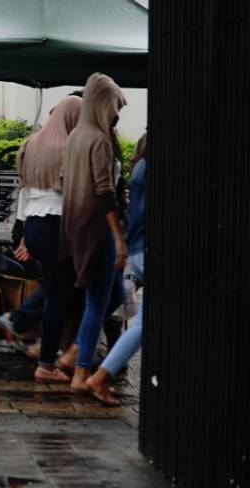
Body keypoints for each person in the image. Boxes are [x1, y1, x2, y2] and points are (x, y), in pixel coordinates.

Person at [0, 95, 84, 383]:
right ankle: (46, 363)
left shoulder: (32, 143)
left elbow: (23, 188)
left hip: (34, 224)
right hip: (57, 225)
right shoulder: (69, 147)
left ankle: (39, 343)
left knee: (58, 288)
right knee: (61, 295)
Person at [60, 73, 127, 395]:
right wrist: (118, 237)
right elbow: (104, 192)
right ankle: (81, 370)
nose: (116, 113)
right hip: (98, 230)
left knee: (112, 295)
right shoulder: (98, 140)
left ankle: (75, 352)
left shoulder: (75, 136)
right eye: (114, 106)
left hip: (76, 226)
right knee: (98, 302)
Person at [85, 132, 147, 406]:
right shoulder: (153, 169)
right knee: (141, 321)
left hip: (137, 248)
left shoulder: (140, 167)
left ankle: (99, 369)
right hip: (145, 250)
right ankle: (101, 374)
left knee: (114, 306)